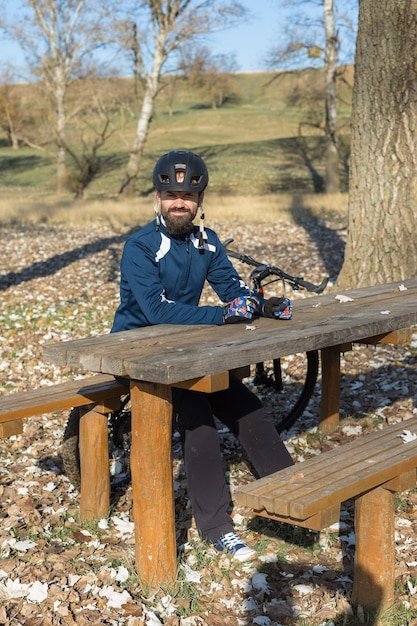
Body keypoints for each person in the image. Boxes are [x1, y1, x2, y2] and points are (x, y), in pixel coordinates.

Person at [111, 150, 294, 562]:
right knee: (199, 424)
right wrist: (223, 315)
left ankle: (291, 495)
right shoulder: (140, 246)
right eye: (170, 193)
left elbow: (231, 290)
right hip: (137, 352)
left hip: (188, 349)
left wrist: (261, 306)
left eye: (188, 196)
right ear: (157, 196)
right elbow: (156, 311)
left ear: (200, 199)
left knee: (249, 409)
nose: (179, 202)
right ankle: (217, 529)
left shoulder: (206, 241)